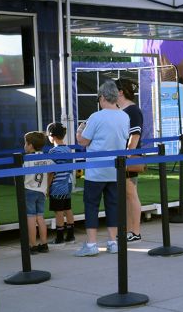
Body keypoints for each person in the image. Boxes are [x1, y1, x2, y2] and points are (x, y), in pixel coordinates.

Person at [75, 80, 129, 257]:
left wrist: (79, 131)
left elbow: (83, 141)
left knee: (91, 205)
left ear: (103, 97)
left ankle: (91, 244)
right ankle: (113, 242)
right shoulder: (124, 116)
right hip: (116, 169)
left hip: (96, 170)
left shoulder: (96, 117)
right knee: (113, 205)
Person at [116, 78, 143, 242]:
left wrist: (127, 155)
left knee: (131, 193)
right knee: (125, 195)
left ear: (120, 92)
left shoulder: (132, 110)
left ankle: (135, 231)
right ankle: (128, 230)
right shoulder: (122, 110)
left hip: (128, 159)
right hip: (122, 159)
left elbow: (135, 135)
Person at [23, 131, 53, 254]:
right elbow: (52, 171)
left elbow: (21, 176)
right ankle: (44, 243)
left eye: (25, 143)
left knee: (30, 217)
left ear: (30, 145)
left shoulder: (26, 159)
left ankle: (33, 245)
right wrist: (47, 187)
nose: (24, 145)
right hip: (41, 190)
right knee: (40, 217)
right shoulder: (45, 157)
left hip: (29, 190)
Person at [46, 122, 75, 245]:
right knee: (67, 208)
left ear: (52, 136)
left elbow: (51, 172)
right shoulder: (68, 149)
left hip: (57, 185)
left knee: (58, 211)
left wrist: (47, 187)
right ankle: (71, 235)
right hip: (68, 182)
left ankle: (59, 238)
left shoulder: (53, 152)